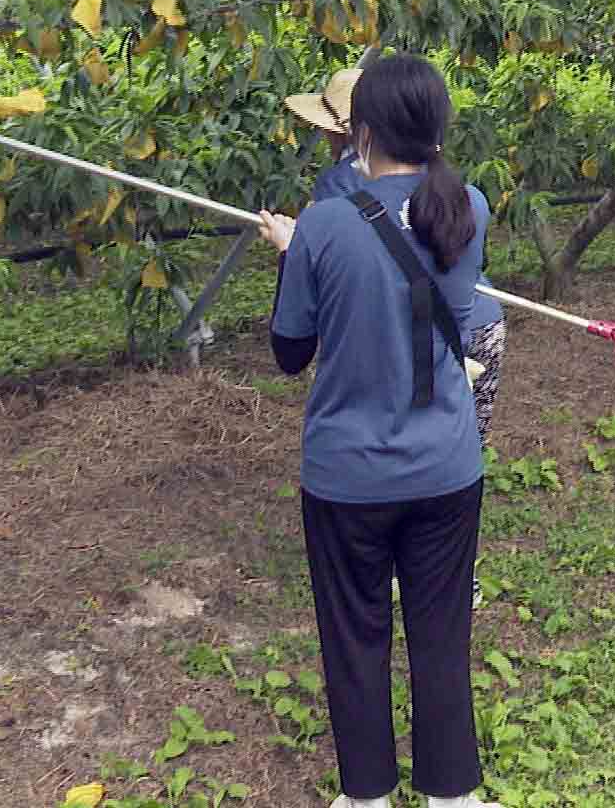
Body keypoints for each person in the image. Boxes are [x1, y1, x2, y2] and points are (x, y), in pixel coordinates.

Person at [257, 55, 499, 808]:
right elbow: (448, 313)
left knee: (355, 637)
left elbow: (290, 352)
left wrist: (296, 256)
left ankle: (364, 796)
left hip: (347, 476)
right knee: (440, 628)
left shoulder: (326, 224)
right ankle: (452, 795)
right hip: (446, 467)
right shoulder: (469, 208)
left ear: (360, 132)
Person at [285, 67, 508, 446]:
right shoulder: (463, 195)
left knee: (392, 440)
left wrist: (293, 249)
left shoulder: (334, 189)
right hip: (478, 323)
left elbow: (344, 276)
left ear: (354, 130)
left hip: (404, 335)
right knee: (462, 441)